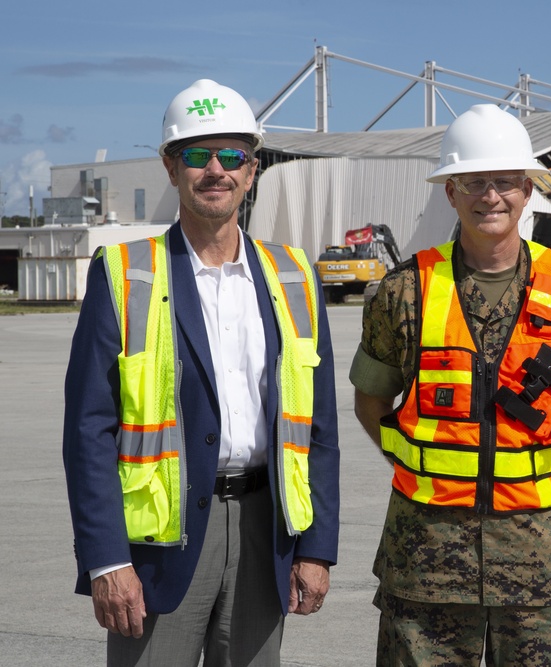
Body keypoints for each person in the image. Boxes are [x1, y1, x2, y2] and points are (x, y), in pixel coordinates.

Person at [62, 79, 341, 666]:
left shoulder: (294, 276)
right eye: (196, 155)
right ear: (170, 167)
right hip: (159, 549)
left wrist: (316, 549)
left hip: (267, 533)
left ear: (252, 168)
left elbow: (318, 428)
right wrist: (107, 560)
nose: (216, 170)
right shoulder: (124, 274)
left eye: (232, 156)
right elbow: (89, 429)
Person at [350, 104, 551, 666]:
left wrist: (550, 474)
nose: (490, 196)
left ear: (528, 191)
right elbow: (370, 402)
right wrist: (431, 468)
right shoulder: (404, 291)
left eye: (505, 182)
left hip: (543, 564)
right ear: (450, 192)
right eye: (474, 182)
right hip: (426, 562)